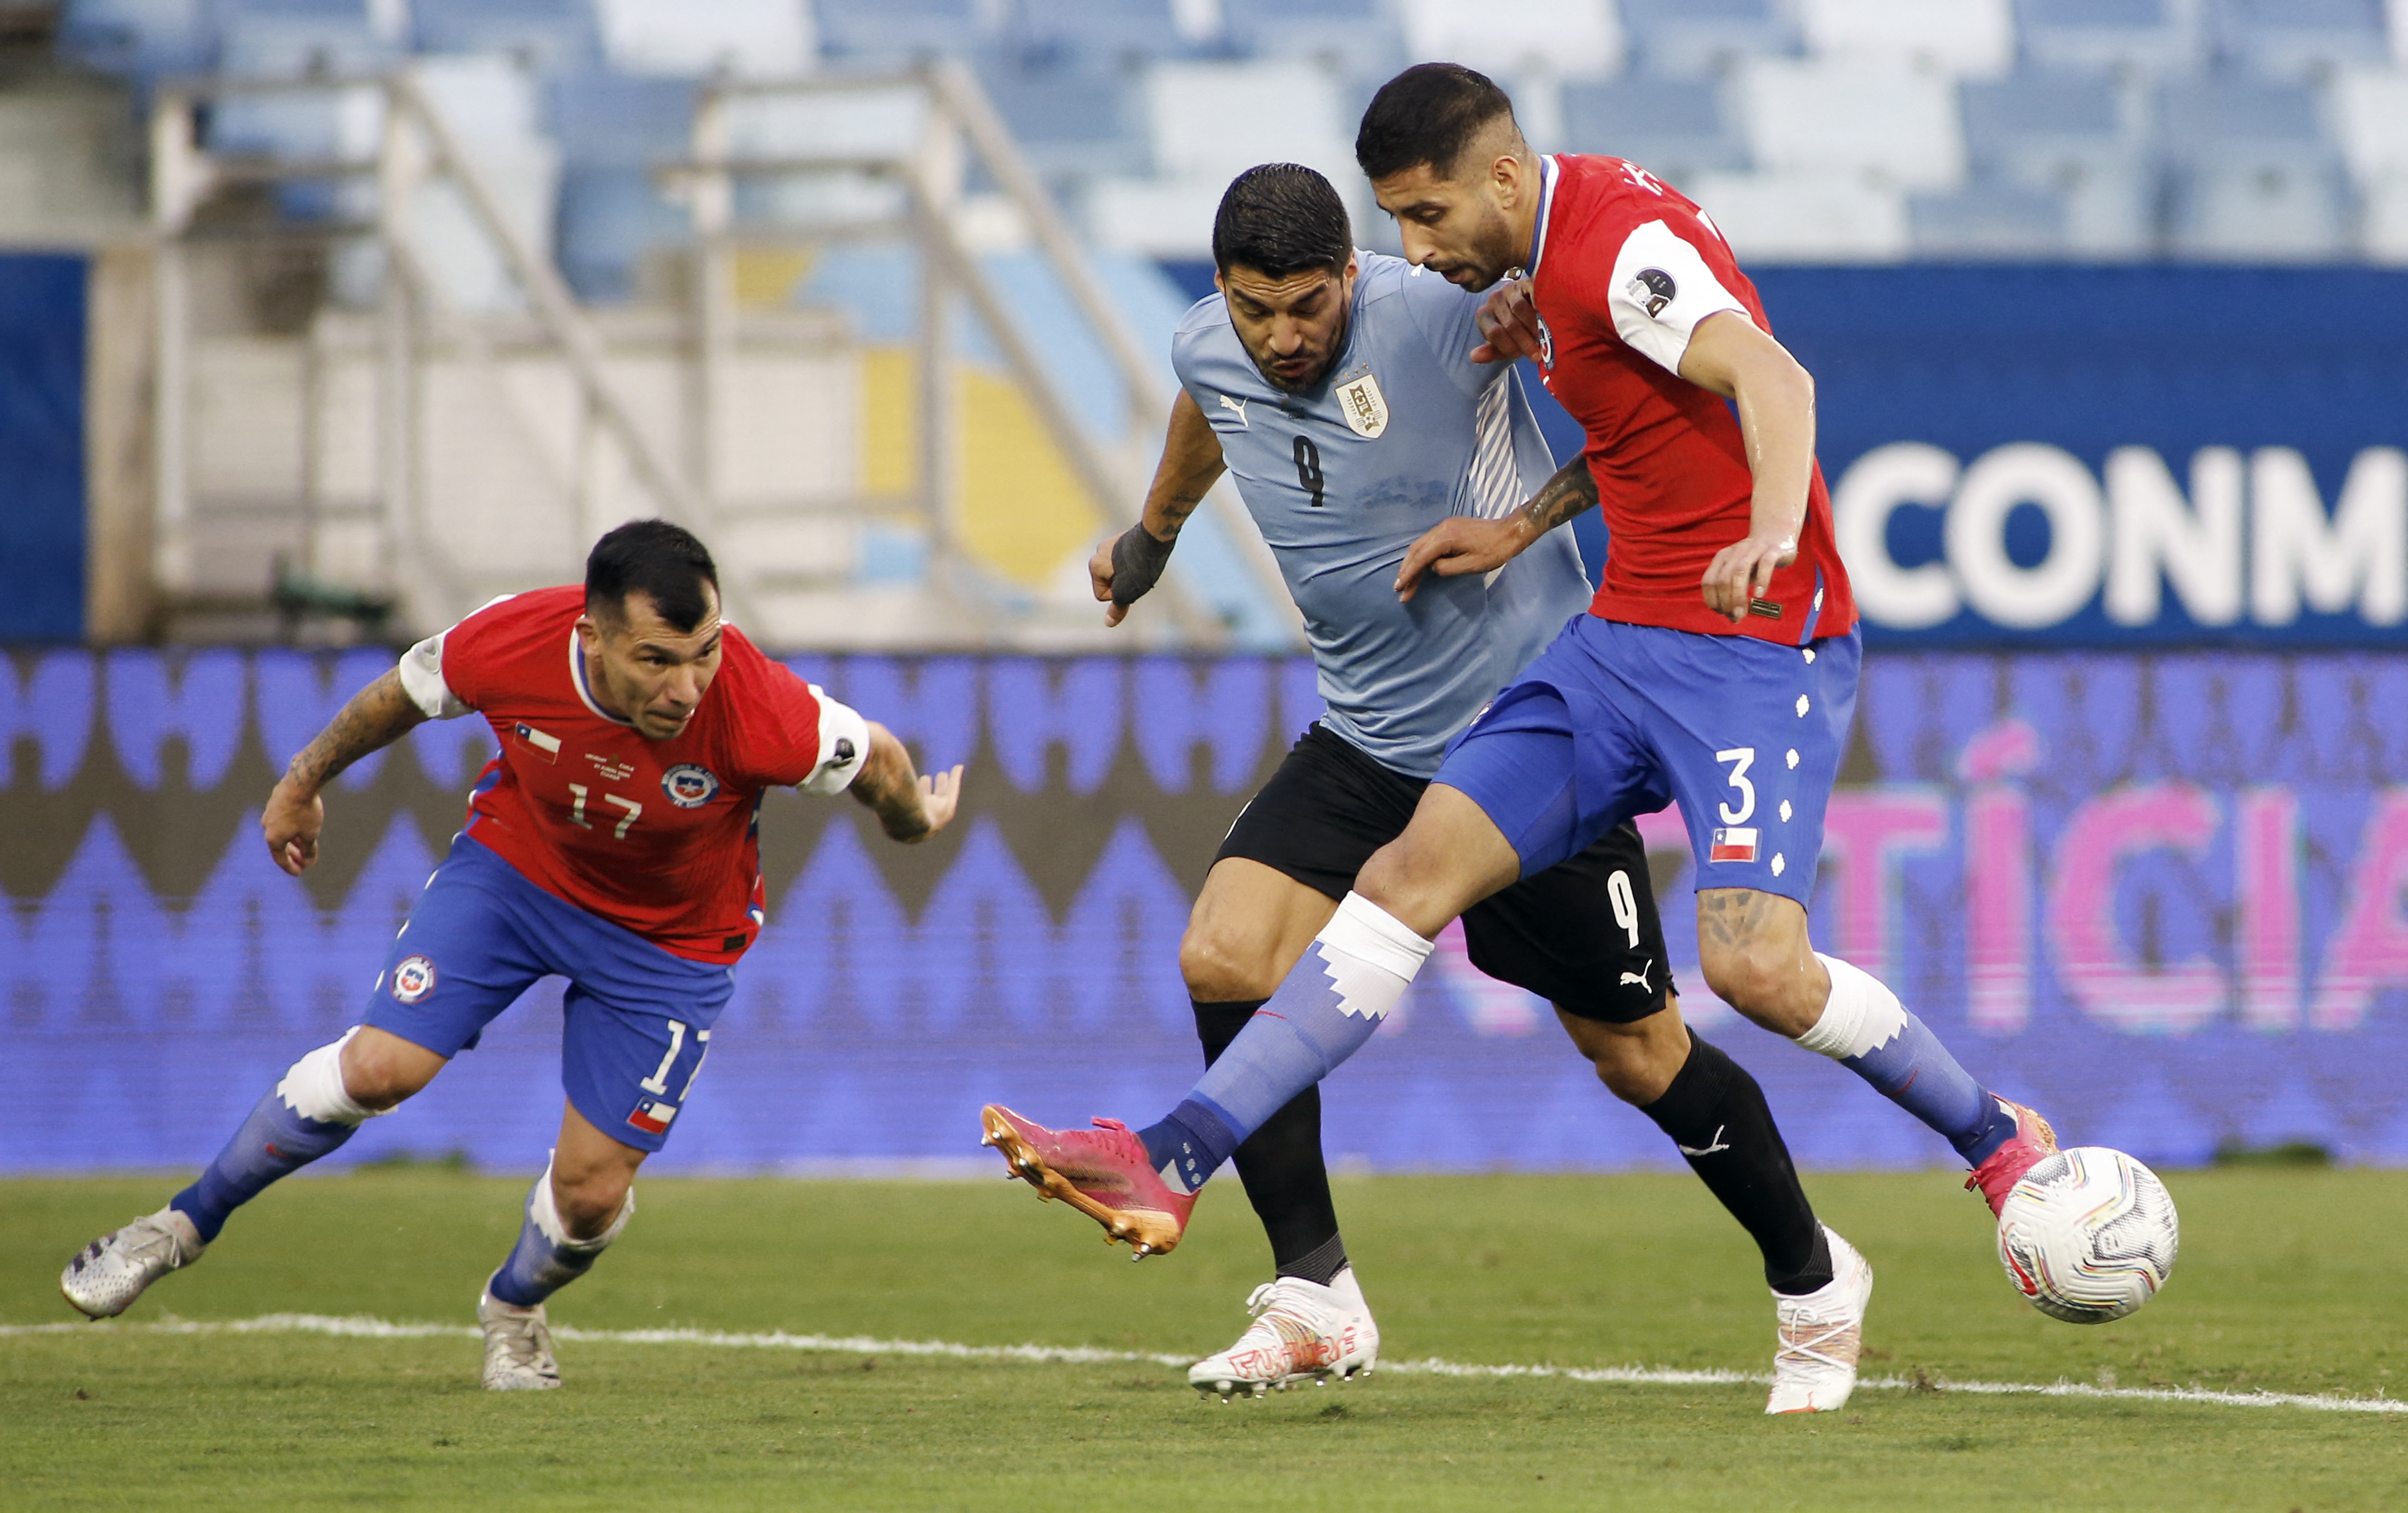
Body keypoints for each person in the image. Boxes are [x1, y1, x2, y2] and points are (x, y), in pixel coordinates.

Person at [981, 68, 2062, 1412]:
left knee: (1719, 996)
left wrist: (1773, 530)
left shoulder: (1579, 264)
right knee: (1369, 896)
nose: (1415, 250)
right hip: (1588, 651)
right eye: (1399, 224)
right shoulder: (1523, 272)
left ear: (1495, 180)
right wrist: (1176, 539)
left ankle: (1972, 1152)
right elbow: (1615, 425)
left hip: (1750, 650)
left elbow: (1772, 380)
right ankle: (1186, 1168)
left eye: (1423, 219)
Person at [59, 521, 962, 1392]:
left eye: (704, 653)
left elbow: (876, 757)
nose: (687, 688)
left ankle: (514, 1307)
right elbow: (396, 699)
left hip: (669, 939)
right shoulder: (510, 640)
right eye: (656, 659)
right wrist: (301, 783)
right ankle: (177, 1225)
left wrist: (913, 819)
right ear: (593, 636)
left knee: (590, 1193)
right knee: (379, 1067)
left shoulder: (760, 708)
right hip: (515, 879)